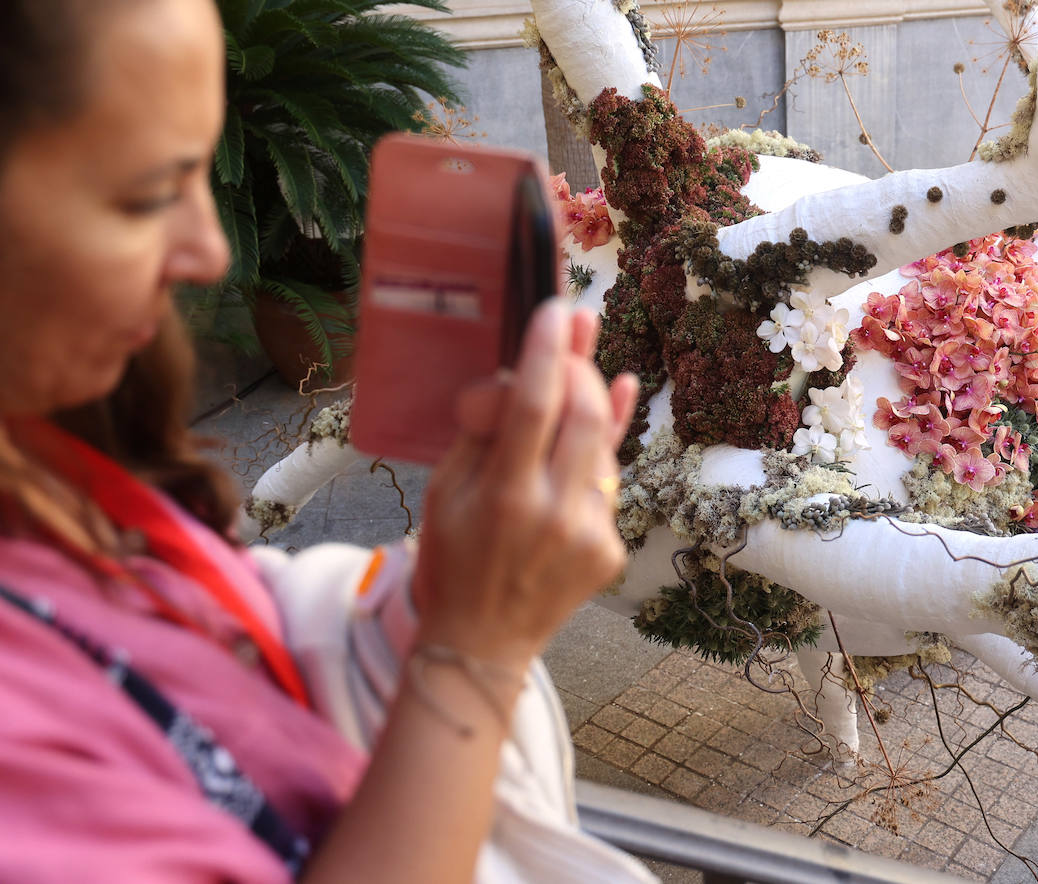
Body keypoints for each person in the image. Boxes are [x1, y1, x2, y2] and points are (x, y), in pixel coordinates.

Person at [0, 0, 654, 881]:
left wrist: (460, 571)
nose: (209, 252)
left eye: (204, 170)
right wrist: (476, 653)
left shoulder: (47, 464)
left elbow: (219, 637)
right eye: (150, 193)